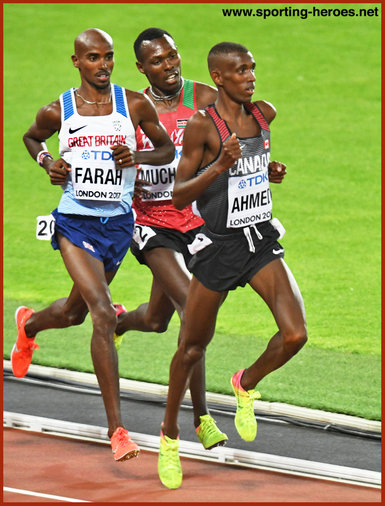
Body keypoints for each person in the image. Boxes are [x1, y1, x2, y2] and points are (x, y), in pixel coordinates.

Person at [113, 28, 286, 451]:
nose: (169, 65)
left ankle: (120, 321)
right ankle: (200, 418)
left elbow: (242, 146)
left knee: (156, 320)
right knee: (191, 312)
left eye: (173, 56)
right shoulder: (132, 108)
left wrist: (261, 170)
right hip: (151, 219)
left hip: (196, 221)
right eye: (158, 61)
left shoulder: (208, 98)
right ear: (141, 68)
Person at [12, 28, 174, 463]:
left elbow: (165, 150)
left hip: (117, 225)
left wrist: (135, 158)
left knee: (74, 313)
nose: (103, 65)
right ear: (77, 62)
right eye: (94, 58)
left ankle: (27, 326)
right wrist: (49, 162)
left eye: (109, 57)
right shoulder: (59, 109)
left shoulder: (133, 104)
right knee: (103, 313)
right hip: (75, 222)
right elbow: (31, 139)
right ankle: (117, 430)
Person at [157, 42, 307, 489]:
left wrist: (267, 171)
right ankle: (168, 436)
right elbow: (180, 195)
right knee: (191, 347)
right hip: (219, 247)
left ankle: (244, 382)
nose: (251, 76)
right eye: (240, 70)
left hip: (258, 238)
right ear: (218, 77)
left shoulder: (263, 114)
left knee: (296, 333)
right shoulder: (204, 127)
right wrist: (219, 165)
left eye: (253, 68)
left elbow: (254, 167)